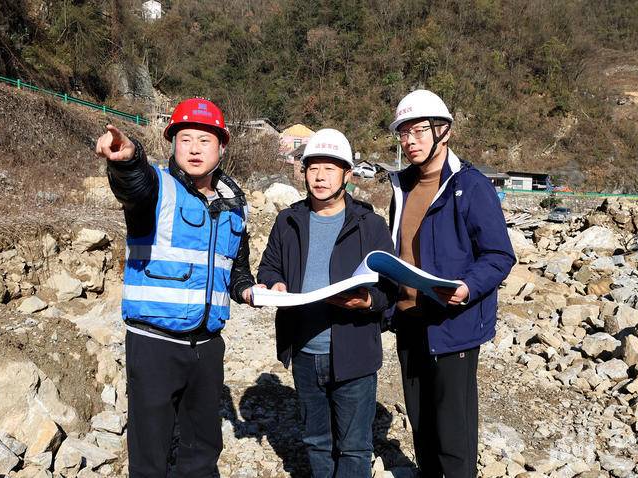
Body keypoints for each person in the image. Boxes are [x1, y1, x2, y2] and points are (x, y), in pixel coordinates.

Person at [95, 97, 256, 477]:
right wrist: (127, 160)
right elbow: (133, 185)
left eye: (205, 140)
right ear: (172, 144)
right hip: (155, 344)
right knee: (150, 455)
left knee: (202, 451)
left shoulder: (235, 205)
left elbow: (236, 270)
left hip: (207, 346)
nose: (195, 148)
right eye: (185, 139)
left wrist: (249, 289)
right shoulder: (157, 188)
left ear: (222, 146)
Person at [386, 90, 516, 477]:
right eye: (404, 133)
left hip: (452, 322)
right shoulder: (401, 188)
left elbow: (499, 255)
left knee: (454, 433)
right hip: (409, 321)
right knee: (421, 423)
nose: (410, 141)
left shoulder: (471, 186)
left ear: (444, 132)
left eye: (419, 131)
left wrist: (467, 287)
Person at [256, 128, 396, 477]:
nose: (320, 177)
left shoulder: (370, 225)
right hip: (305, 351)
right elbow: (269, 266)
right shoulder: (288, 221)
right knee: (316, 440)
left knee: (354, 446)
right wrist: (274, 283)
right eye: (313, 168)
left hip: (354, 352)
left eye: (330, 169)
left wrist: (368, 301)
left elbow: (391, 286)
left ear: (347, 174)